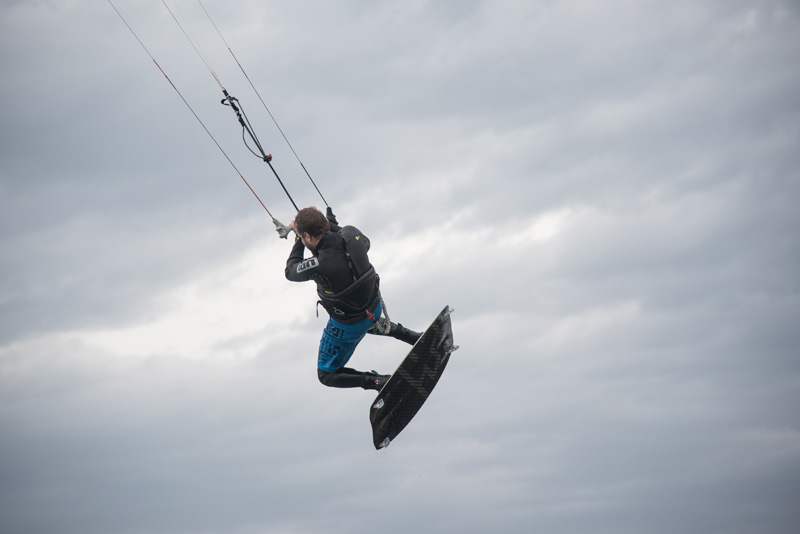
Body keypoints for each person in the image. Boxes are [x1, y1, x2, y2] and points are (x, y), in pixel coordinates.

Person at [286, 207, 421, 391]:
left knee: (325, 375)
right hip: (374, 308)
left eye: (303, 238)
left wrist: (297, 238)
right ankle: (412, 337)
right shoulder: (350, 233)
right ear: (325, 225)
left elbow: (290, 270)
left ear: (307, 237)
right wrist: (333, 227)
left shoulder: (316, 264)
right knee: (364, 317)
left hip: (349, 325)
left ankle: (377, 381)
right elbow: (361, 243)